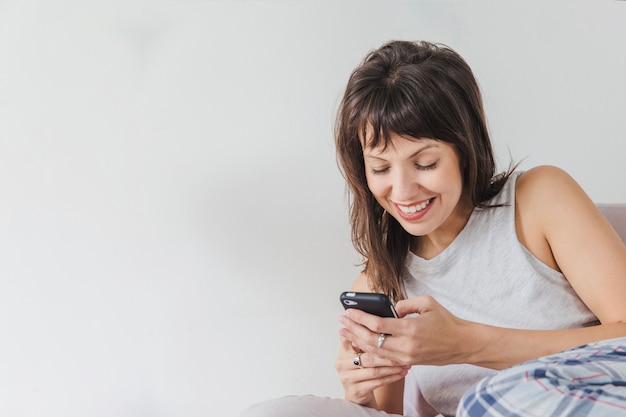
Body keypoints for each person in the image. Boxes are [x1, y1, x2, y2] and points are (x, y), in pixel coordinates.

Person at [240, 40, 626, 417]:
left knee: (490, 400)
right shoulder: (379, 282)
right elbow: (391, 412)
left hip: (577, 399)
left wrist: (467, 344)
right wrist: (361, 394)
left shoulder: (538, 199)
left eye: (424, 163)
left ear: (466, 148)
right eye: (380, 168)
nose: (403, 191)